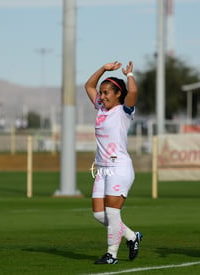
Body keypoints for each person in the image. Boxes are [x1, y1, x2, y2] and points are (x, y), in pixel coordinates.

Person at [84, 61, 142, 264]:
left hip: (119, 167)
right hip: (102, 168)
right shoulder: (101, 107)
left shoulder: (124, 111)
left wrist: (130, 74)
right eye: (101, 93)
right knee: (99, 214)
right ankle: (132, 237)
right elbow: (88, 86)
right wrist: (103, 69)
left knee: (112, 211)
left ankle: (111, 255)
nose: (102, 96)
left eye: (106, 92)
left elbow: (133, 91)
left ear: (118, 94)